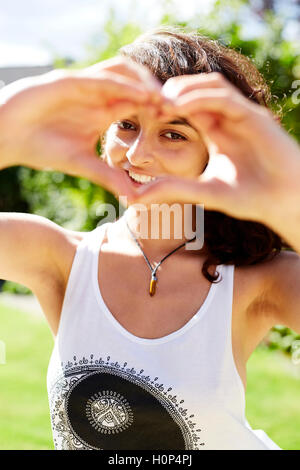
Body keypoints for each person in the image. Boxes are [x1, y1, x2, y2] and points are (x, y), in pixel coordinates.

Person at [0, 26, 300, 450]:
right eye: (126, 124)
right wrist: (7, 123)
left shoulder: (261, 279)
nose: (138, 153)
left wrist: (285, 194)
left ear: (214, 153)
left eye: (174, 134)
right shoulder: (60, 258)